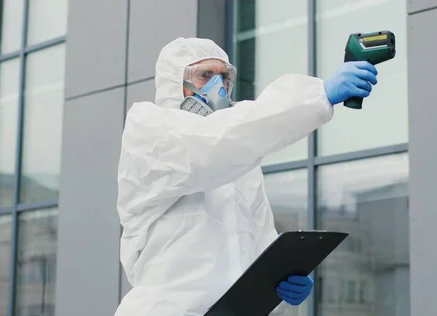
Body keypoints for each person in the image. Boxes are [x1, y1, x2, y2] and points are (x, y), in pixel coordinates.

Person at [114, 37, 380, 315]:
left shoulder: (239, 159)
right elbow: (213, 144)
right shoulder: (149, 129)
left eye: (224, 76)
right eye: (205, 75)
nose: (218, 85)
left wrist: (280, 279)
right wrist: (317, 95)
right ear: (174, 82)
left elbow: (259, 241)